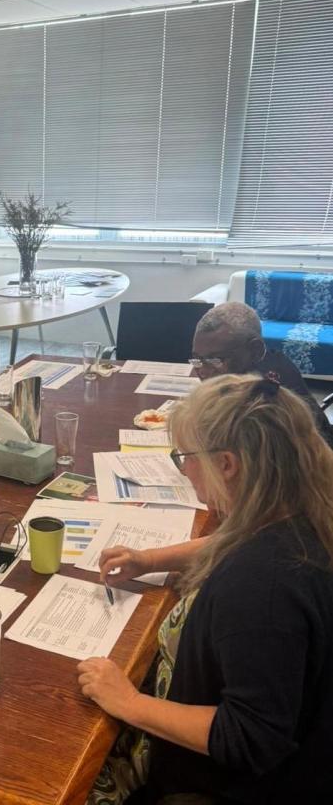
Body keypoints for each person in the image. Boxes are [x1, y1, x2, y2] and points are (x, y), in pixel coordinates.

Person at [78, 373, 333, 804]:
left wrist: (128, 702)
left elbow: (252, 735)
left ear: (227, 464)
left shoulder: (262, 587)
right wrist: (150, 559)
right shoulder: (302, 507)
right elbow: (234, 538)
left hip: (217, 783)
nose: (184, 470)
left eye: (185, 457)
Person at [190, 301, 333, 448]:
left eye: (216, 360)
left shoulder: (265, 399)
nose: (203, 370)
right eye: (197, 359)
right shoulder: (268, 360)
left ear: (255, 350)